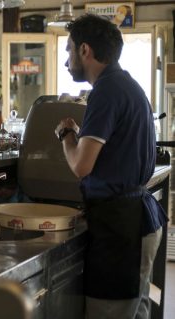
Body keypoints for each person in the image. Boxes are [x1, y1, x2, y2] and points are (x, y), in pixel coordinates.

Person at [54, 14, 168, 319]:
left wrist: (67, 133)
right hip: (132, 219)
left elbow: (81, 165)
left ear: (85, 51)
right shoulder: (126, 84)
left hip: (121, 228)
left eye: (68, 50)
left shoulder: (106, 91)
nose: (67, 61)